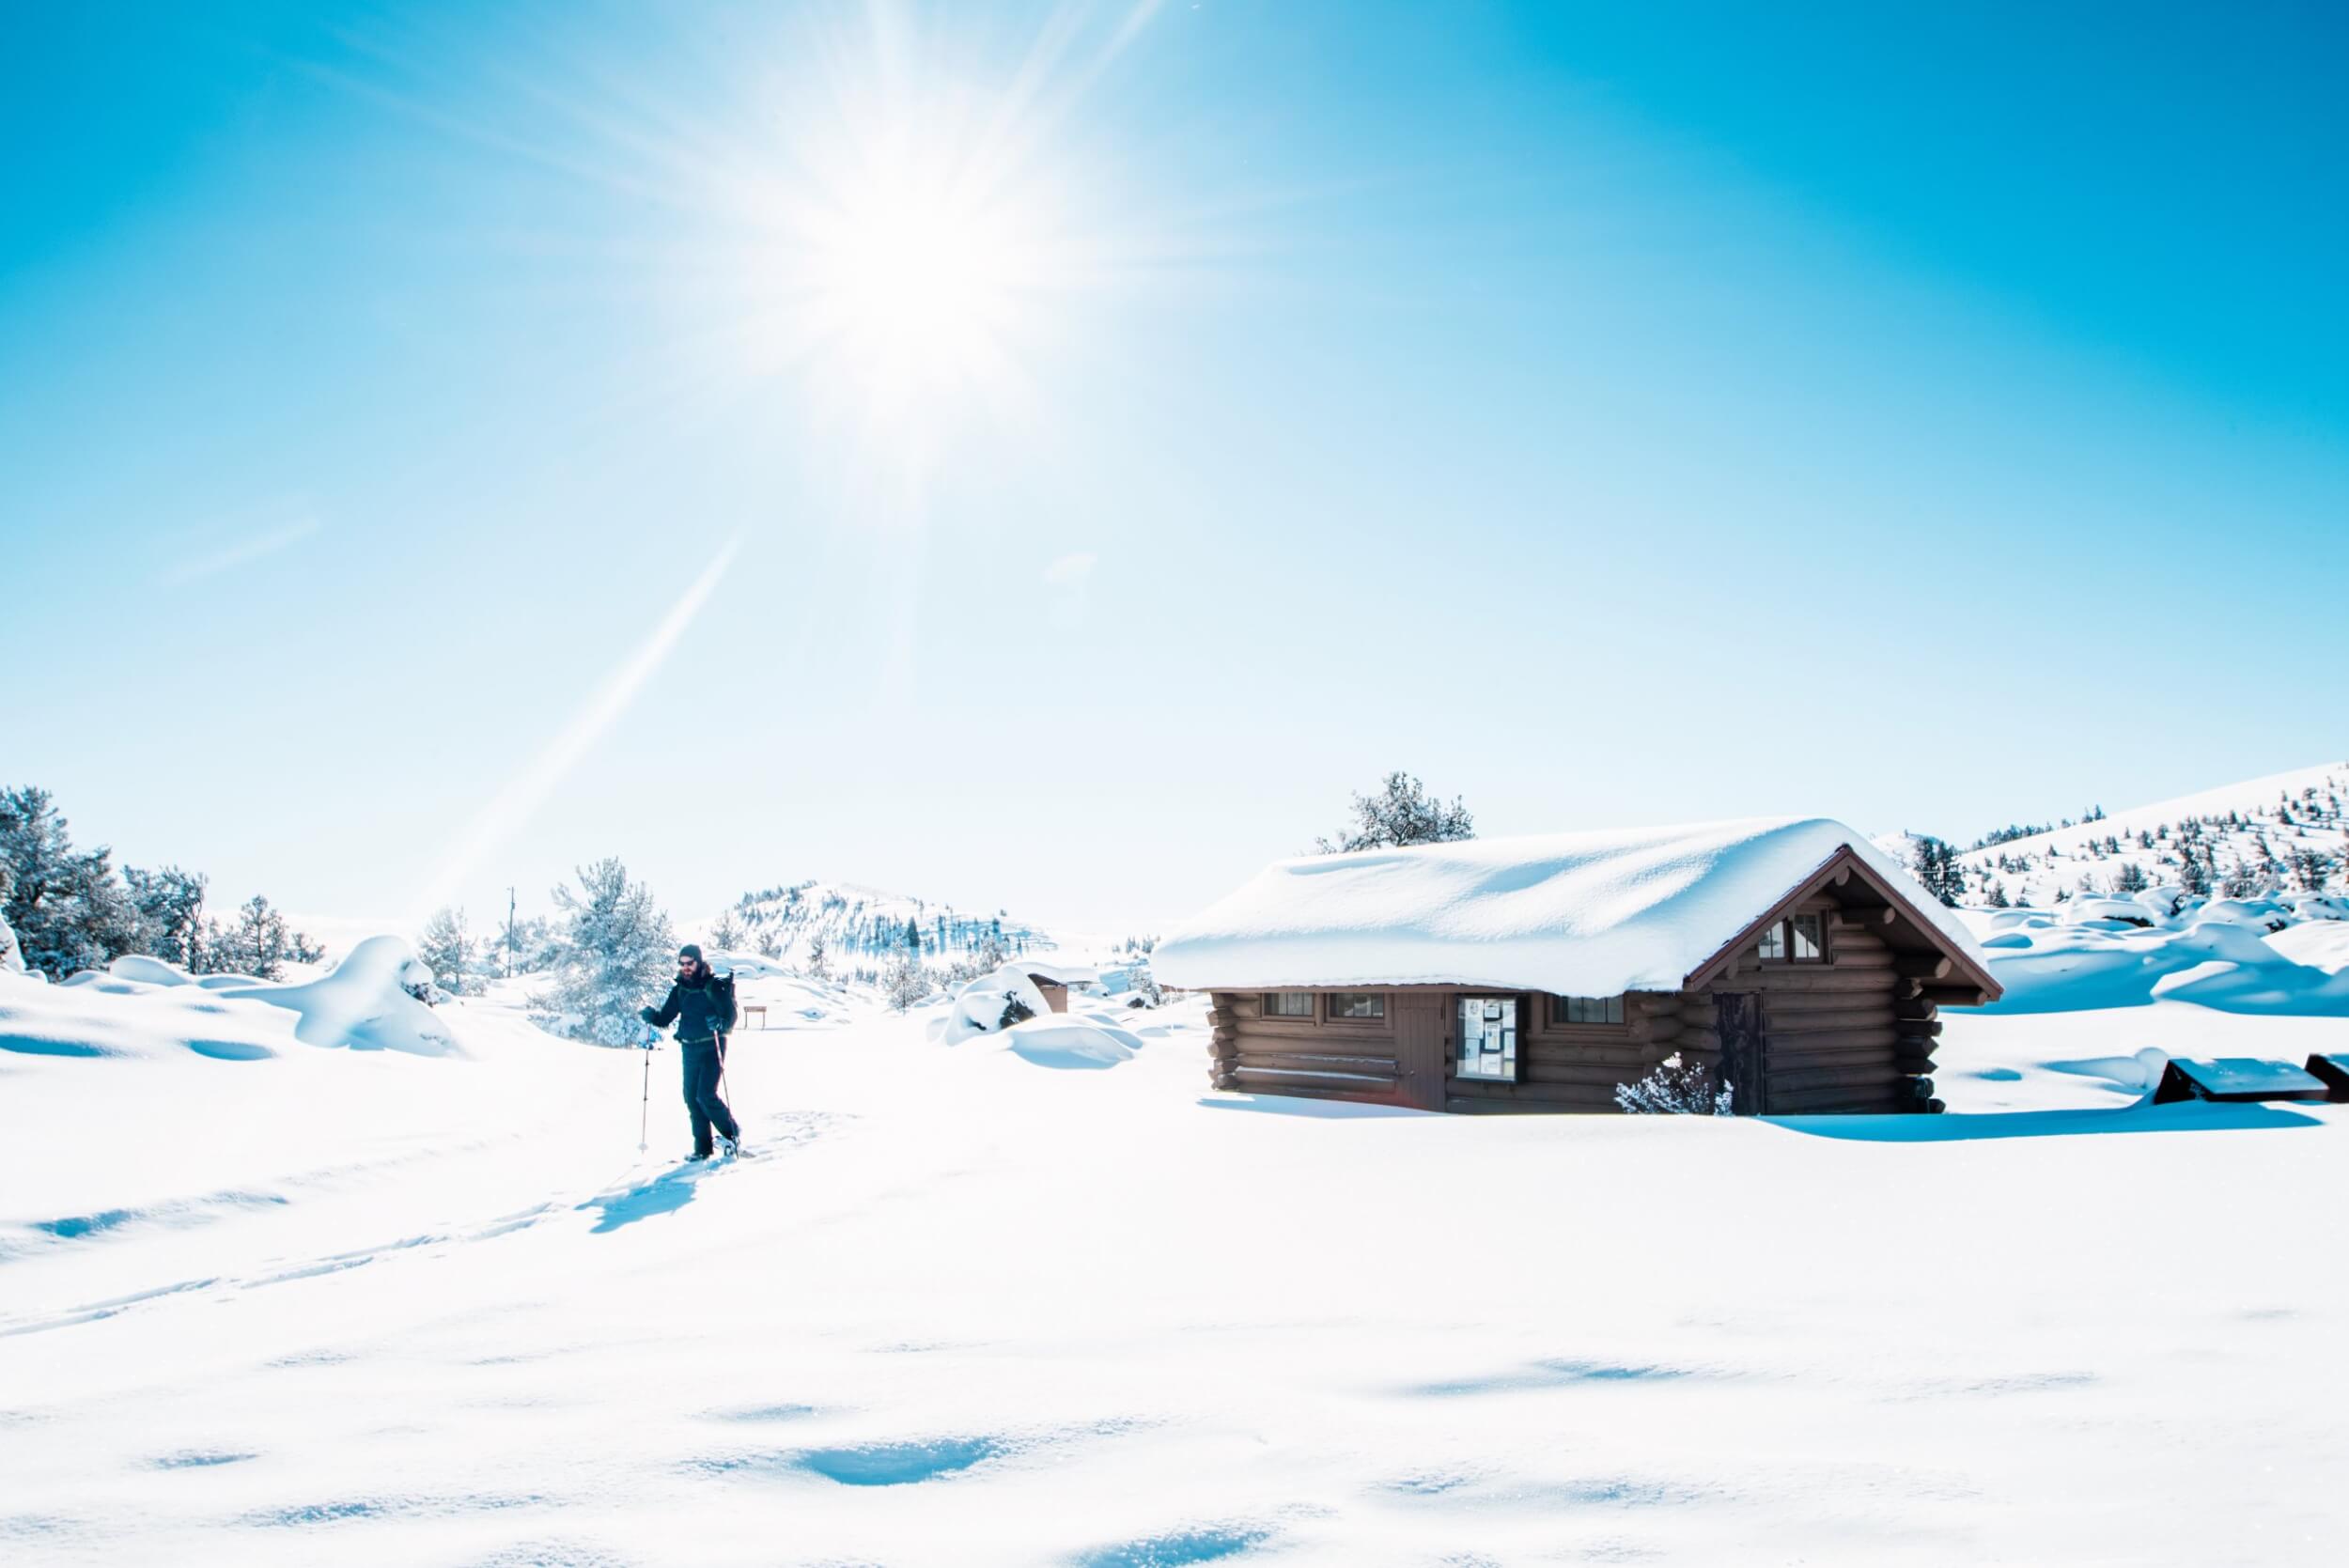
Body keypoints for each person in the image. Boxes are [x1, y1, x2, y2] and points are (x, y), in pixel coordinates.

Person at [641, 943, 742, 1159]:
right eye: (682, 963)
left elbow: (731, 1017)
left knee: (705, 1095)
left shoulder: (713, 986)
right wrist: (652, 1016)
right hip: (689, 1047)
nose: (686, 967)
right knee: (691, 1097)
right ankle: (702, 1148)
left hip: (712, 1045)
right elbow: (665, 1017)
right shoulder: (680, 990)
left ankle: (732, 1135)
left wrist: (720, 1023)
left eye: (690, 963)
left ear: (699, 962)